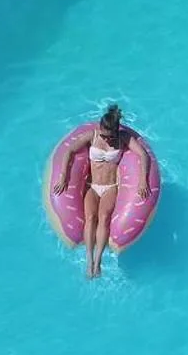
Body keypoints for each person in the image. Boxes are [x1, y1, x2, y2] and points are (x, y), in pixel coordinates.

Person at [54, 103, 151, 279]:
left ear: (115, 131)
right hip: (92, 185)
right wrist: (64, 177)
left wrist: (143, 180)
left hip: (110, 187)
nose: (106, 140)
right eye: (104, 136)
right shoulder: (92, 136)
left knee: (104, 217)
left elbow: (143, 155)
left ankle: (98, 261)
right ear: (100, 128)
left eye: (109, 137)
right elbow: (69, 150)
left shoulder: (123, 139)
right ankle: (89, 260)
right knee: (91, 218)